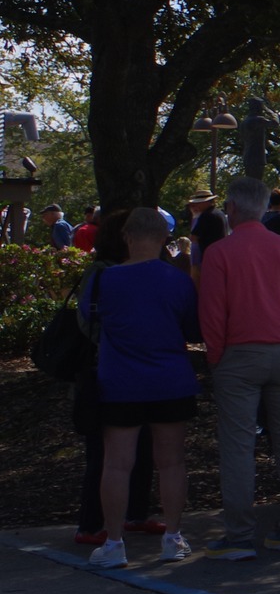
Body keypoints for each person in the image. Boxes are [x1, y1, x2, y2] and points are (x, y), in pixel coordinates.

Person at [200, 177, 280, 558]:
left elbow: (212, 313)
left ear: (231, 208)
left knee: (238, 445)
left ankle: (240, 534)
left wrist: (216, 357)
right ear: (265, 208)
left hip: (238, 354)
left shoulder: (220, 252)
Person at [81, 208, 199, 567]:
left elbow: (88, 320)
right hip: (171, 379)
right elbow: (194, 331)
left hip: (120, 380)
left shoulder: (104, 280)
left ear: (127, 238)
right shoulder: (179, 281)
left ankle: (114, 542)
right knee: (172, 462)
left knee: (117, 464)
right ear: (165, 238)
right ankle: (172, 538)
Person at [70, 215, 159, 548]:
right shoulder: (102, 272)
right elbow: (87, 321)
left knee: (145, 446)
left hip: (138, 374)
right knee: (103, 453)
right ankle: (90, 523)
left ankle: (135, 513)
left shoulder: (136, 269)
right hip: (105, 374)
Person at [186, 191, 227, 273]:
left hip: (208, 255)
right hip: (221, 254)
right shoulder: (220, 213)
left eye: (198, 203)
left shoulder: (206, 215)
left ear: (207, 202)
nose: (196, 206)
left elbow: (194, 237)